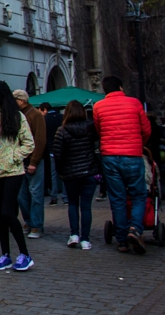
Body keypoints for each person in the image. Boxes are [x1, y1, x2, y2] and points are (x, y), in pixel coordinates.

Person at [0, 81, 36, 271]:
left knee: (8, 212)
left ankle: (25, 254)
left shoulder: (17, 117)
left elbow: (29, 143)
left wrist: (13, 158)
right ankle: (5, 255)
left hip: (12, 172)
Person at [93, 76, 152, 254]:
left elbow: (99, 130)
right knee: (138, 195)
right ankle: (135, 228)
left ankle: (121, 240)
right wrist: (139, 144)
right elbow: (146, 129)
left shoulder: (98, 106)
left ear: (104, 90)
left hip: (110, 156)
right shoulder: (134, 103)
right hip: (132, 154)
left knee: (117, 198)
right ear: (121, 86)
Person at [51, 100, 100, 250]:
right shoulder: (91, 128)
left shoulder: (62, 131)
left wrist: (61, 172)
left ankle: (74, 235)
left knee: (73, 204)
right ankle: (85, 239)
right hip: (89, 171)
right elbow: (97, 147)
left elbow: (58, 155)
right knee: (86, 206)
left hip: (71, 173)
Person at [13, 89, 47, 239]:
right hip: (19, 161)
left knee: (35, 193)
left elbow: (40, 140)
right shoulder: (17, 115)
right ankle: (28, 221)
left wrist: (34, 161)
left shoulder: (35, 115)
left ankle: (37, 225)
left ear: (21, 101)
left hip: (33, 161)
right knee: (22, 195)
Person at [41, 103, 66, 205]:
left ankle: (54, 197)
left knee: (53, 175)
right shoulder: (62, 117)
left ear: (45, 110)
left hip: (50, 150)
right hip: (62, 150)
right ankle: (66, 197)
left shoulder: (45, 119)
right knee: (64, 174)